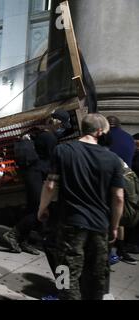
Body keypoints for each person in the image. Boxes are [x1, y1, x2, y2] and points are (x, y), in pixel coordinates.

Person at [38, 113, 124, 300]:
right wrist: (115, 226)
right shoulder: (113, 159)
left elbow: (50, 185)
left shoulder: (63, 151)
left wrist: (42, 208)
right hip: (100, 225)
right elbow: (118, 197)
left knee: (65, 270)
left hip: (70, 222)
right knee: (97, 275)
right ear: (100, 131)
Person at [2, 109, 72, 255]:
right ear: (56, 122)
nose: (62, 128)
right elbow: (53, 159)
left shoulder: (43, 133)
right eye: (61, 125)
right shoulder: (49, 137)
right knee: (38, 208)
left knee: (32, 208)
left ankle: (23, 240)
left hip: (34, 173)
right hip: (35, 174)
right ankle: (13, 234)